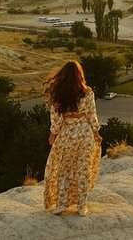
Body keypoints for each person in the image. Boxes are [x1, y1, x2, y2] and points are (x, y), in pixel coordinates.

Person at [43, 60, 101, 216]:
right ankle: (82, 206)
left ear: (62, 76)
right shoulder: (88, 92)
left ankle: (61, 205)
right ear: (79, 75)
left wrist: (53, 134)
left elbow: (56, 119)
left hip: (67, 135)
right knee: (83, 170)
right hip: (85, 134)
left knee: (64, 170)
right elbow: (91, 115)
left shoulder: (57, 94)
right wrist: (96, 132)